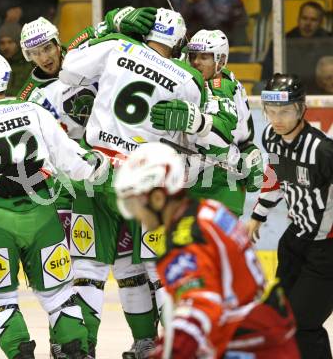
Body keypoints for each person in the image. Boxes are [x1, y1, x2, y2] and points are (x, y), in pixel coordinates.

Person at [60, 7, 246, 357]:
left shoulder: (116, 45)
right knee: (158, 268)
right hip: (147, 183)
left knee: (88, 268)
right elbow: (219, 137)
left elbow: (67, 69)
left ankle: (78, 348)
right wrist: (199, 122)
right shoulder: (188, 78)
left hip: (96, 172)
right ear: (179, 44)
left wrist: (105, 25)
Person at [0, 52, 109, 359]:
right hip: (43, 215)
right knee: (60, 296)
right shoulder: (33, 110)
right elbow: (75, 162)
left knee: (1, 302)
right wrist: (99, 164)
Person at [16, 8, 159, 358]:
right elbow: (31, 146)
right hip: (85, 186)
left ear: (57, 42)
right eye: (34, 53)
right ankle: (80, 344)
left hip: (129, 173)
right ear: (26, 56)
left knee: (131, 266)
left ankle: (147, 342)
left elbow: (106, 30)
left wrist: (117, 18)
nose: (44, 57)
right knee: (86, 268)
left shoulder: (85, 55)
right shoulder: (31, 98)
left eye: (47, 47)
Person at [114, 142, 300, 359]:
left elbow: (197, 312)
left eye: (135, 205)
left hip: (249, 347)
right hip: (267, 336)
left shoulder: (186, 238)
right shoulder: (208, 210)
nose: (135, 215)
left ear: (157, 198)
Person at [246, 73, 333, 359]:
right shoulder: (270, 137)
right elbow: (274, 177)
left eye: (285, 111)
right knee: (279, 319)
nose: (277, 118)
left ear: (301, 110)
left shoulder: (322, 151)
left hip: (326, 249)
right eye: (271, 111)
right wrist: (258, 215)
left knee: (304, 324)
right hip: (294, 240)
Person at [151, 29, 262, 217]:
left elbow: (219, 136)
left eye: (204, 57)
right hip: (200, 178)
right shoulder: (217, 80)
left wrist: (195, 122)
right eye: (193, 56)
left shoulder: (222, 87)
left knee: (218, 243)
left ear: (220, 60)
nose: (196, 62)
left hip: (221, 180)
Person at [262, 1, 331, 80]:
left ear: (321, 23)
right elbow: (266, 76)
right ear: (298, 19)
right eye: (304, 18)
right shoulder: (282, 42)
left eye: (313, 20)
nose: (308, 23)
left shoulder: (329, 43)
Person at [0, 22, 33, 96]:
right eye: (2, 43)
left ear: (19, 43)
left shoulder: (30, 64)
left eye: (10, 42)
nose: (6, 47)